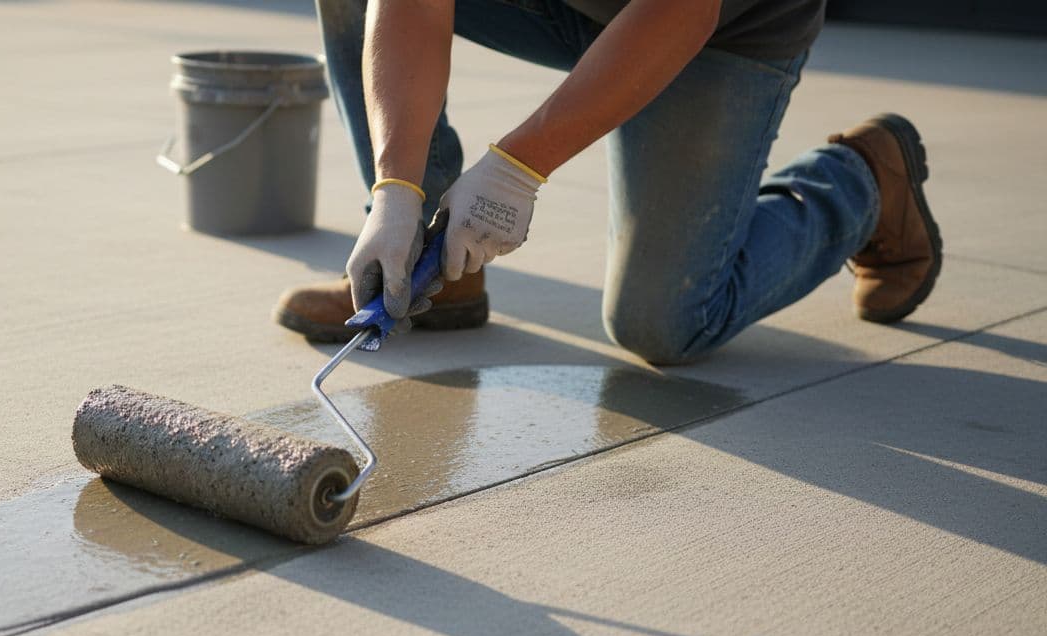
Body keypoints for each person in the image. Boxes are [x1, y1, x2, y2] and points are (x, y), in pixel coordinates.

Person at [273, 0, 942, 365]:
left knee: (663, 326)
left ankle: (862, 183)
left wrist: (516, 169)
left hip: (717, 28)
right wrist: (396, 192)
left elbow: (683, 11)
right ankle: (431, 269)